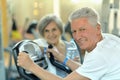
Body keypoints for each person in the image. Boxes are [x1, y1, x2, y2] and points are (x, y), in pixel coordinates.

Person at [17, 7, 120, 80]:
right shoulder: (108, 39)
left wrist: (31, 66)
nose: (77, 36)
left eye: (82, 29)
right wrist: (63, 58)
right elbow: (85, 70)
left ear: (98, 28)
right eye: (74, 31)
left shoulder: (99, 55)